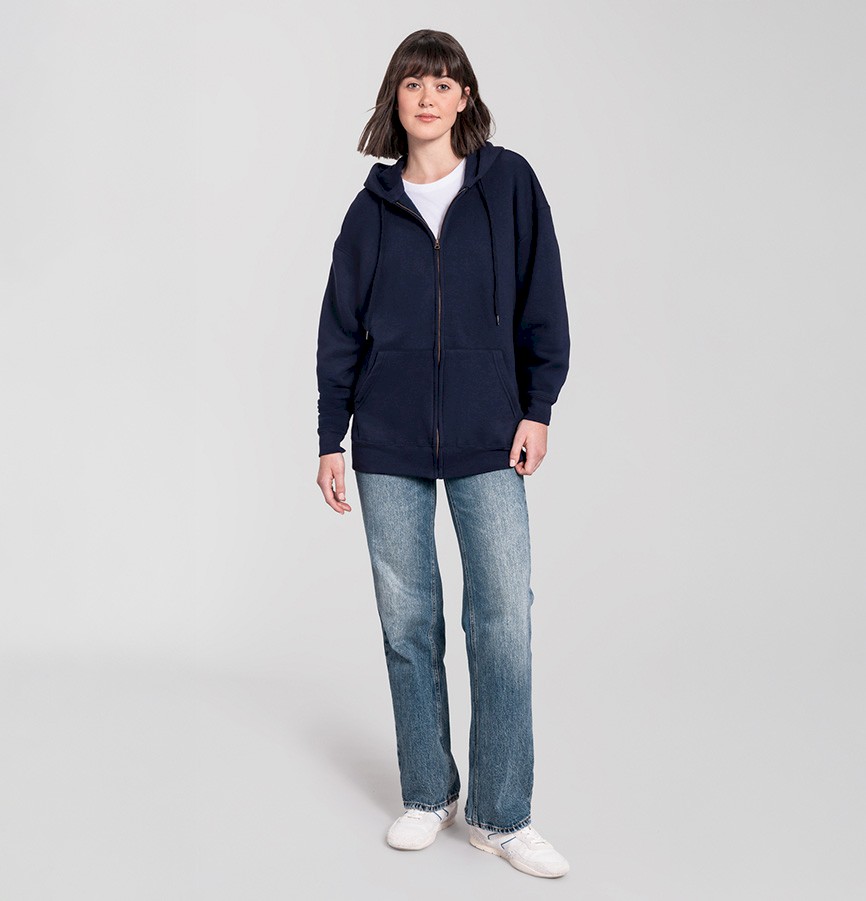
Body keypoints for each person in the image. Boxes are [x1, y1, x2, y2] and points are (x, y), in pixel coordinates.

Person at [315, 29, 571, 879]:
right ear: (395, 99)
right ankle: (428, 791)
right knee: (408, 622)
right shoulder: (370, 210)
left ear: (465, 98)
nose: (428, 96)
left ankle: (502, 813)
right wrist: (330, 437)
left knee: (503, 619)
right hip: (386, 439)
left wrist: (537, 408)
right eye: (413, 83)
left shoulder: (509, 185)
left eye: (444, 82)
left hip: (489, 431)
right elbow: (339, 329)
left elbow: (543, 298)